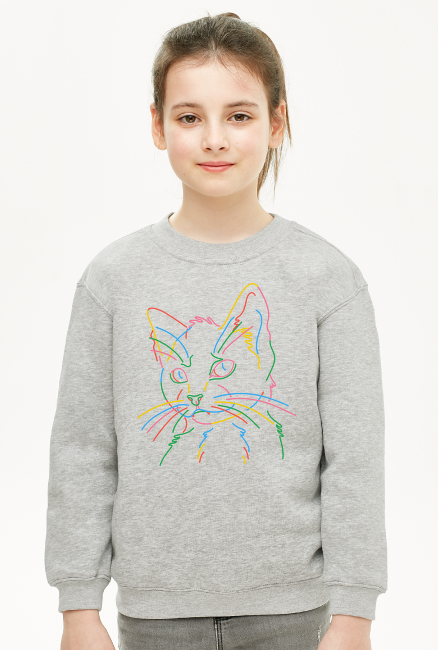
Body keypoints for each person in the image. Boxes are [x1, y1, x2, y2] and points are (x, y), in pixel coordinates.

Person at [44, 11, 388, 650]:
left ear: (276, 123)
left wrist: (354, 614)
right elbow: (82, 450)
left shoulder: (327, 279)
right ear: (157, 126)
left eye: (238, 115)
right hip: (154, 615)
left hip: (295, 613)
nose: (214, 139)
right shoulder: (113, 279)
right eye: (188, 117)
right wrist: (78, 607)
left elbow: (354, 460)